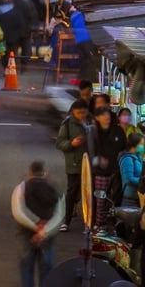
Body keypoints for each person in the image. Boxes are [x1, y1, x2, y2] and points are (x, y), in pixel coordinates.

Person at [11, 161, 65, 287]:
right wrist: (44, 232)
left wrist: (35, 225)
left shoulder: (21, 188)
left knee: (27, 270)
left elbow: (19, 212)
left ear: (30, 173)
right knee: (46, 271)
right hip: (48, 238)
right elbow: (59, 215)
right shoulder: (56, 190)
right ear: (44, 173)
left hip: (25, 236)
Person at [54, 99, 95, 232]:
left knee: (90, 193)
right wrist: (72, 144)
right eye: (78, 113)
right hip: (74, 164)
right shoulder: (67, 124)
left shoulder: (92, 121)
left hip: (91, 163)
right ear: (73, 112)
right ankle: (66, 220)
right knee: (72, 192)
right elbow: (59, 143)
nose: (81, 115)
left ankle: (90, 222)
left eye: (83, 112)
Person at [92, 106, 127, 230]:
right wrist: (98, 160)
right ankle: (99, 224)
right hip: (100, 172)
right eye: (103, 115)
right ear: (97, 118)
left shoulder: (117, 130)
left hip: (116, 170)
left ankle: (112, 225)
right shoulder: (94, 132)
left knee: (115, 198)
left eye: (107, 114)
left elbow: (124, 147)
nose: (106, 117)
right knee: (100, 199)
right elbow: (89, 152)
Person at [64, 0, 100, 83]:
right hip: (87, 39)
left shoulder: (73, 17)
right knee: (92, 60)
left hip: (79, 41)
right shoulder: (81, 14)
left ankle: (82, 79)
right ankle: (91, 80)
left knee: (84, 61)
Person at [119, 133, 145, 208]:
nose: (143, 146)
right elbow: (128, 179)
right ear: (134, 144)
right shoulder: (127, 159)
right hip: (129, 199)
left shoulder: (138, 157)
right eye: (141, 144)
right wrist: (143, 181)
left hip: (138, 197)